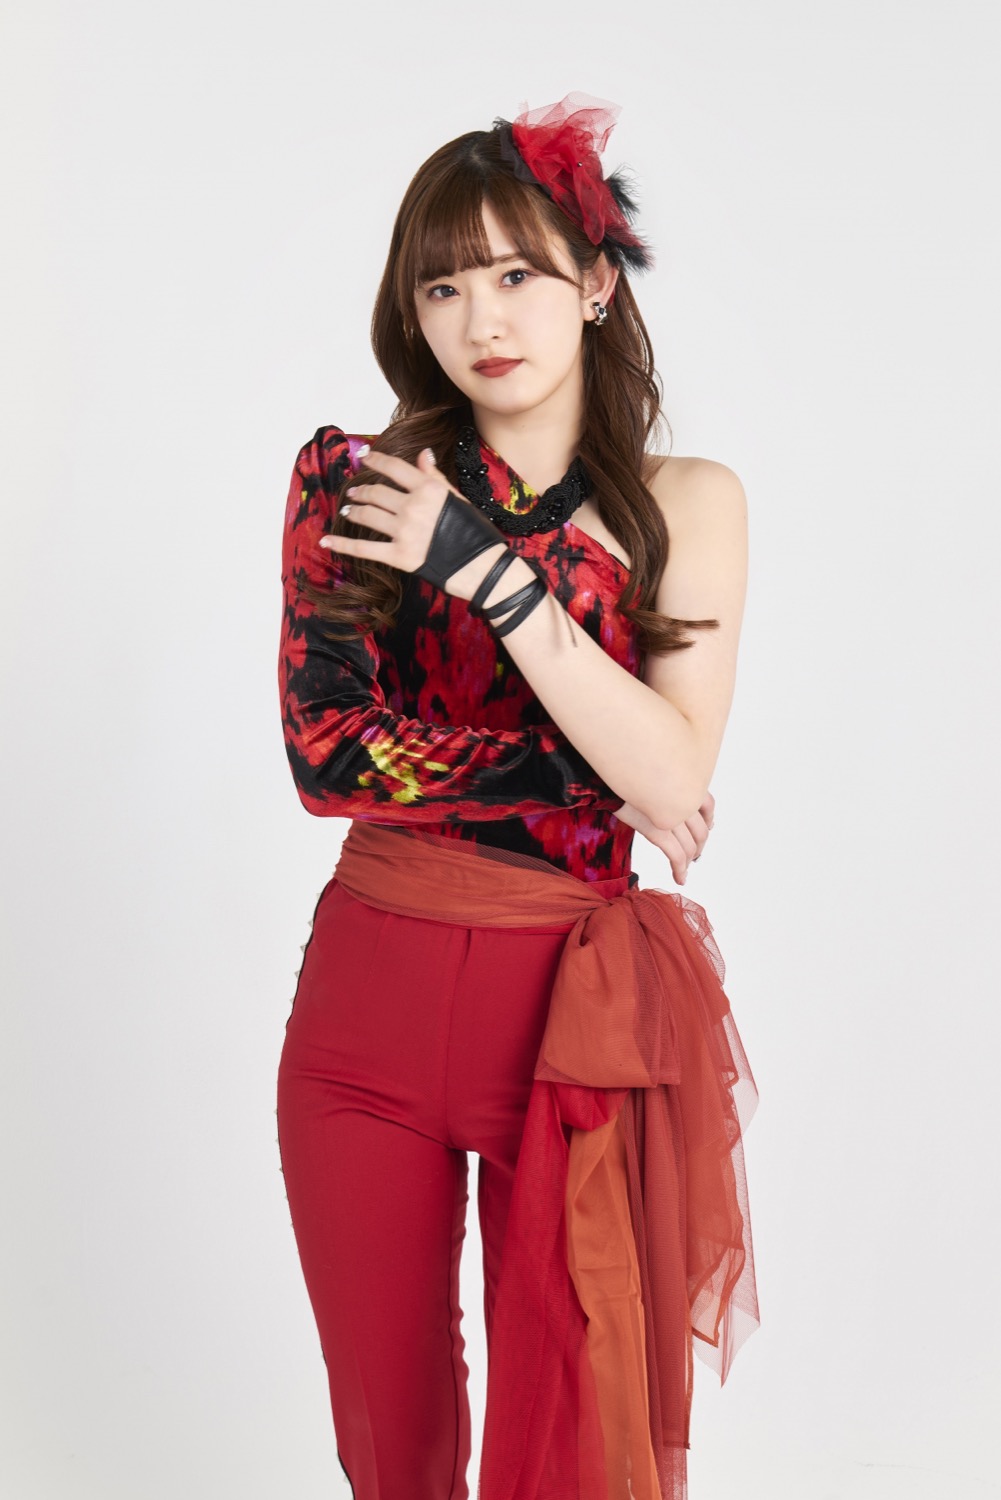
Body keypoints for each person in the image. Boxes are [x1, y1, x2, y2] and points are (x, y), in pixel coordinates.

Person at [276, 93, 759, 1500]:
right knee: (393, 1450)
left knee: (571, 1450)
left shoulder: (689, 503)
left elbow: (675, 773)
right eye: (442, 285)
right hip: (363, 1017)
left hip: (568, 1019)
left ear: (596, 285)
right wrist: (579, 770)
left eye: (515, 274)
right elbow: (328, 756)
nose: (481, 317)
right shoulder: (353, 485)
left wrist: (485, 570)